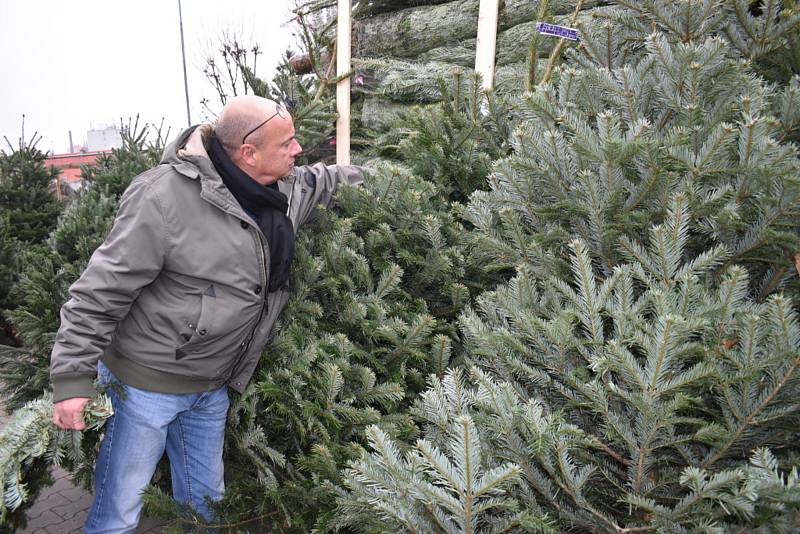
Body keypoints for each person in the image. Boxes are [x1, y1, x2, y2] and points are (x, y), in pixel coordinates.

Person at [49, 95, 363, 533]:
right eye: (287, 144)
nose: (297, 151)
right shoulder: (162, 198)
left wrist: (393, 180)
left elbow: (326, 180)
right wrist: (71, 380)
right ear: (248, 153)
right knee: (120, 509)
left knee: (205, 507)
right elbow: (100, 290)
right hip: (146, 387)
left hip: (211, 387)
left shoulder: (283, 188)